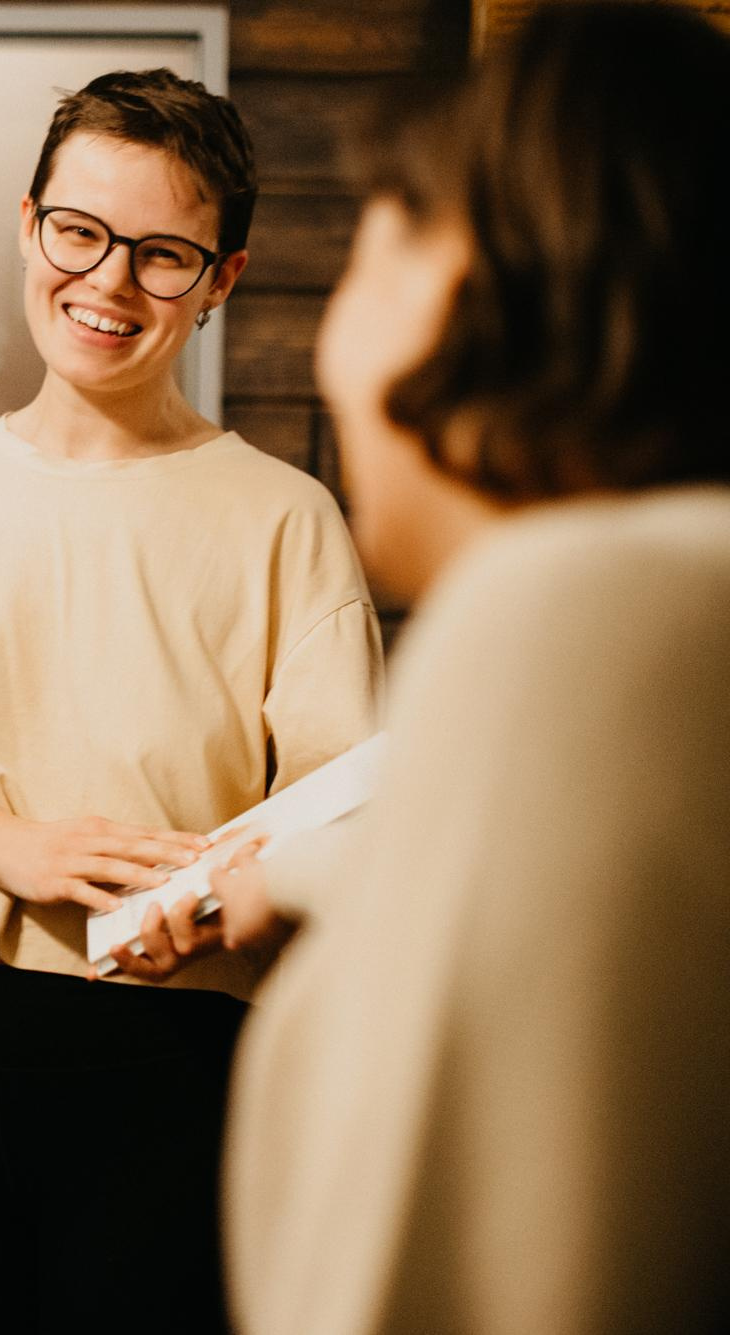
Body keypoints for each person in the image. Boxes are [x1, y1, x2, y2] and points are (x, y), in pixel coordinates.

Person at [0, 70, 383, 1331]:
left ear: (222, 278)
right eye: (79, 232)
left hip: (170, 1050)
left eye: (161, 256)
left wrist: (201, 901)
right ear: (27, 223)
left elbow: (343, 822)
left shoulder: (283, 518)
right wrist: (3, 844)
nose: (104, 283)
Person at [216, 7, 730, 1332]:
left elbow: (431, 1271)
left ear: (478, 278)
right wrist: (291, 869)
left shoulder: (577, 611)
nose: (333, 336)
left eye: (371, 247)